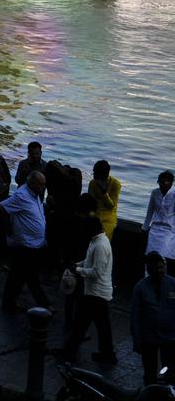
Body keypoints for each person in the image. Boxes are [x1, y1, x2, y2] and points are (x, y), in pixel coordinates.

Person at [59, 214, 116, 366]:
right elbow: (89, 261)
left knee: (81, 323)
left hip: (96, 293)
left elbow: (96, 272)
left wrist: (77, 270)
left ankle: (70, 351)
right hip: (97, 292)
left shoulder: (100, 246)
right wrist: (78, 264)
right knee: (100, 325)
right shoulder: (95, 241)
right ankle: (108, 354)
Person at [0, 170, 50, 313]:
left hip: (35, 243)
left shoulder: (35, 194)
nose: (43, 187)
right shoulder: (22, 196)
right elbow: (1, 207)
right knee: (22, 275)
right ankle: (43, 304)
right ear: (32, 183)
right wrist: (9, 229)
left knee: (22, 275)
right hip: (25, 244)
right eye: (41, 184)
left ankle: (11, 303)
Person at [131, 252, 175, 385]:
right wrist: (137, 340)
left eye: (161, 267)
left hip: (170, 338)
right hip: (149, 338)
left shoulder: (172, 283)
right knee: (150, 372)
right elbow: (135, 316)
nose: (159, 271)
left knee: (170, 372)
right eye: (156, 268)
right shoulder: (140, 287)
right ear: (149, 269)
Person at [143, 171, 175, 276]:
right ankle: (146, 277)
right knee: (150, 256)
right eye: (161, 183)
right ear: (158, 182)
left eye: (166, 183)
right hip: (154, 230)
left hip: (168, 231)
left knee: (162, 259)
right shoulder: (155, 193)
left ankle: (162, 281)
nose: (163, 186)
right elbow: (149, 212)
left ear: (171, 184)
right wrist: (144, 229)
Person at [88, 160, 121, 241]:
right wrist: (92, 215)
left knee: (101, 238)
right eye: (93, 172)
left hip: (108, 217)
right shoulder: (92, 183)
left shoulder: (115, 184)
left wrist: (104, 193)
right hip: (94, 214)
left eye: (95, 173)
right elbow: (90, 202)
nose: (94, 175)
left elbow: (111, 206)